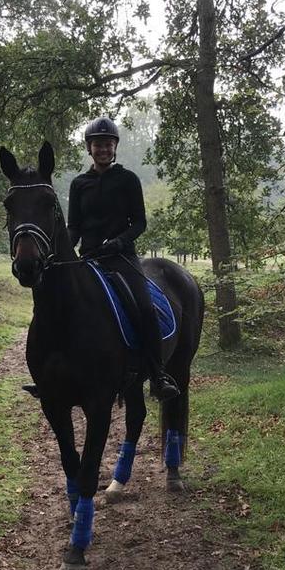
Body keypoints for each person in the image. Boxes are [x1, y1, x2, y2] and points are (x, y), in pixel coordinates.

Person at [67, 116, 180, 401]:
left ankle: (157, 375)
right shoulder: (79, 184)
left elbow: (139, 222)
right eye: (97, 145)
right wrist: (64, 252)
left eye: (107, 144)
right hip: (89, 259)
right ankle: (55, 373)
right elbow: (74, 227)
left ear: (114, 147)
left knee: (144, 308)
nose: (103, 149)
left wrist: (119, 241)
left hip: (121, 259)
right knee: (59, 304)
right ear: (89, 149)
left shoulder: (128, 180)